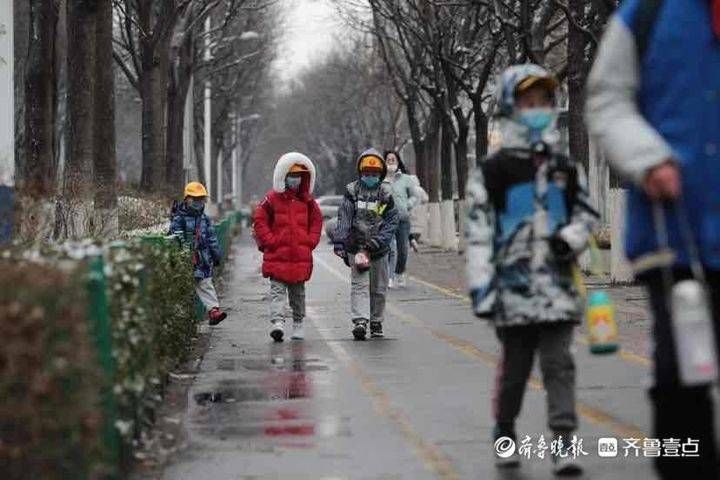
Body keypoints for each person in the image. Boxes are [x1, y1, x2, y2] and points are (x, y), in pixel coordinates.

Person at [586, 2, 720, 478]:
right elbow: (606, 99)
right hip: (675, 239)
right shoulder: (646, 14)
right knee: (681, 384)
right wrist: (648, 159)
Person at [465, 64, 598, 475]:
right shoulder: (494, 171)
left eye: (544, 102)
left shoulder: (566, 168)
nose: (537, 110)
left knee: (560, 366)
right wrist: (482, 289)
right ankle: (504, 434)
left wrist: (570, 239)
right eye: (527, 103)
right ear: (509, 108)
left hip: (559, 287)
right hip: (512, 291)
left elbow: (587, 216)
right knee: (515, 371)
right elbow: (479, 234)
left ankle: (563, 444)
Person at [253, 152, 323, 342]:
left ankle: (298, 323)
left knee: (298, 294)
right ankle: (277, 323)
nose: (296, 180)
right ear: (283, 176)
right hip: (277, 257)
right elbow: (259, 220)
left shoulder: (308, 201)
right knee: (277, 292)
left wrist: (310, 241)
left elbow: (317, 221)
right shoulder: (271, 199)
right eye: (292, 175)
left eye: (299, 176)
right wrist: (270, 241)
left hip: (299, 257)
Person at [333, 149, 399, 340]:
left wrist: (377, 242)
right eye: (366, 174)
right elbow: (344, 218)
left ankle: (376, 321)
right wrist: (340, 242)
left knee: (378, 288)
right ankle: (360, 321)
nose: (370, 177)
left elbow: (391, 222)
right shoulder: (352, 191)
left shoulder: (385, 194)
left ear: (380, 174)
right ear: (360, 173)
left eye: (374, 174)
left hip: (378, 249)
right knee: (359, 286)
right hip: (357, 248)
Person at [169, 182, 227, 326]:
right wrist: (182, 249)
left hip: (202, 260)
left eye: (201, 199)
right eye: (195, 199)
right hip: (186, 259)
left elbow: (212, 238)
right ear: (187, 199)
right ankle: (182, 318)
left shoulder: (204, 219)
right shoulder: (179, 218)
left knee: (206, 284)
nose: (198, 202)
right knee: (183, 289)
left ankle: (213, 311)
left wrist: (217, 256)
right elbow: (174, 235)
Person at [384, 150, 420, 288]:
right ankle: (390, 277)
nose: (391, 161)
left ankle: (399, 273)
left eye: (393, 159)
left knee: (403, 250)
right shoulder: (381, 180)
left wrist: (407, 205)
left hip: (403, 219)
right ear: (385, 162)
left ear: (398, 162)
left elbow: (415, 196)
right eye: (388, 159)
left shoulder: (405, 179)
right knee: (390, 249)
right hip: (387, 220)